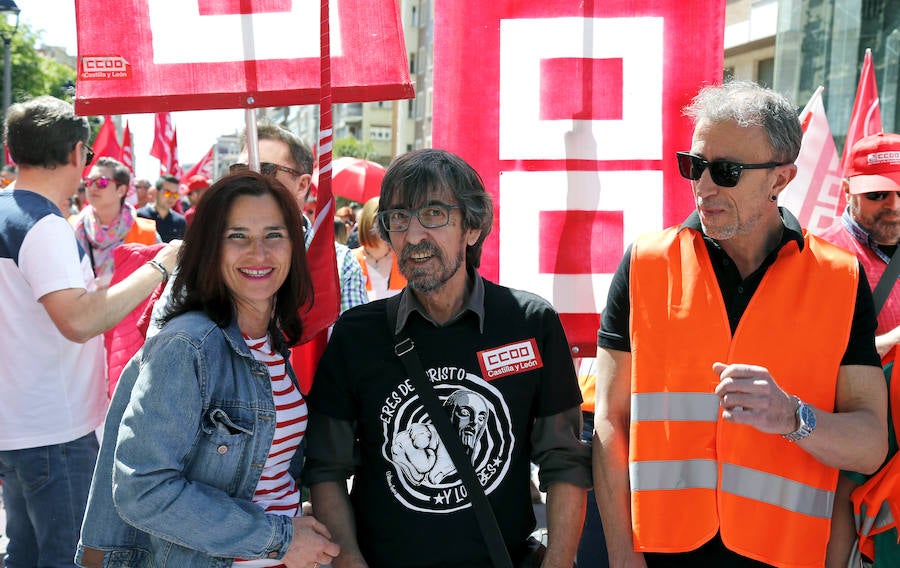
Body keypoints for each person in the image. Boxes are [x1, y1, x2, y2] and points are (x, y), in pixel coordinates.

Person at [592, 81, 888, 567]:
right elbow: (610, 421)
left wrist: (794, 418)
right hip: (660, 556)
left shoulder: (838, 278)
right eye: (695, 165)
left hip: (785, 557)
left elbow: (870, 445)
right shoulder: (645, 263)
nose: (704, 186)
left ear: (780, 179)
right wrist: (623, 557)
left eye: (726, 172)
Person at [304, 149, 591, 568]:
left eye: (434, 214)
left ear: (472, 227)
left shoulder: (529, 323)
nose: (414, 235)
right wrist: (349, 559)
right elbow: (325, 468)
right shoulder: (357, 336)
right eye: (399, 218)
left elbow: (564, 459)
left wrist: (560, 561)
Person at [76, 171, 341, 567]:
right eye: (237, 236)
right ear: (210, 249)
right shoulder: (189, 346)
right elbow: (142, 489)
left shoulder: (270, 341)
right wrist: (278, 537)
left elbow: (261, 474)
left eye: (273, 235)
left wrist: (291, 516)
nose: (259, 253)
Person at [0, 95, 179, 568]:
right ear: (78, 153)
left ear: (11, 150)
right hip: (54, 431)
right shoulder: (43, 225)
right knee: (65, 557)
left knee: (23, 552)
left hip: (19, 426)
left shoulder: (10, 214)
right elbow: (79, 321)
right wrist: (158, 269)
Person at [820, 132, 900, 566]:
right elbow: (805, 353)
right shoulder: (821, 256)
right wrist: (888, 343)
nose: (895, 205)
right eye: (878, 194)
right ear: (846, 189)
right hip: (851, 456)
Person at [232, 123, 367, 312]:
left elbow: (354, 339)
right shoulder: (212, 255)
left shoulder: (339, 265)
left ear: (303, 185)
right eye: (240, 171)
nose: (249, 182)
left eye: (265, 170)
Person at [73, 156, 158, 288]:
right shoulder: (72, 226)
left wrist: (117, 279)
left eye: (101, 182)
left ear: (121, 190)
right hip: (80, 307)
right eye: (88, 181)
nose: (92, 187)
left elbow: (158, 278)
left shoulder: (146, 232)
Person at [351, 196, 407, 300]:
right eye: (379, 221)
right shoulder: (350, 261)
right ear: (367, 222)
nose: (387, 226)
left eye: (394, 218)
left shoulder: (404, 260)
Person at [137, 174, 187, 242]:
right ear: (156, 192)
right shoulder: (139, 216)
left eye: (175, 194)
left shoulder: (180, 221)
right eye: (167, 193)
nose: (171, 197)